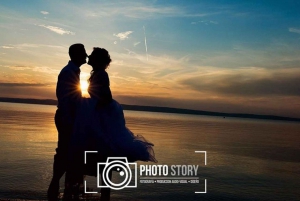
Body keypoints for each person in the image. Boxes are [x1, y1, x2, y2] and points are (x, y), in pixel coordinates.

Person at [68, 47, 157, 200]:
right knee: (100, 155)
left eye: (92, 55)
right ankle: (96, 192)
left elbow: (106, 97)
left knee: (104, 154)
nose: (88, 56)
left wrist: (92, 103)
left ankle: (103, 194)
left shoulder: (101, 74)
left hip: (103, 117)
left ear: (97, 60)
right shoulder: (98, 74)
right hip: (100, 114)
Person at [47, 43, 88, 201]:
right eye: (83, 53)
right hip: (66, 117)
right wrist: (70, 118)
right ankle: (55, 185)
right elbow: (66, 98)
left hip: (69, 117)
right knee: (64, 151)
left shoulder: (73, 71)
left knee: (68, 152)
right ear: (76, 55)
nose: (86, 56)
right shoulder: (69, 72)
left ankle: (66, 187)